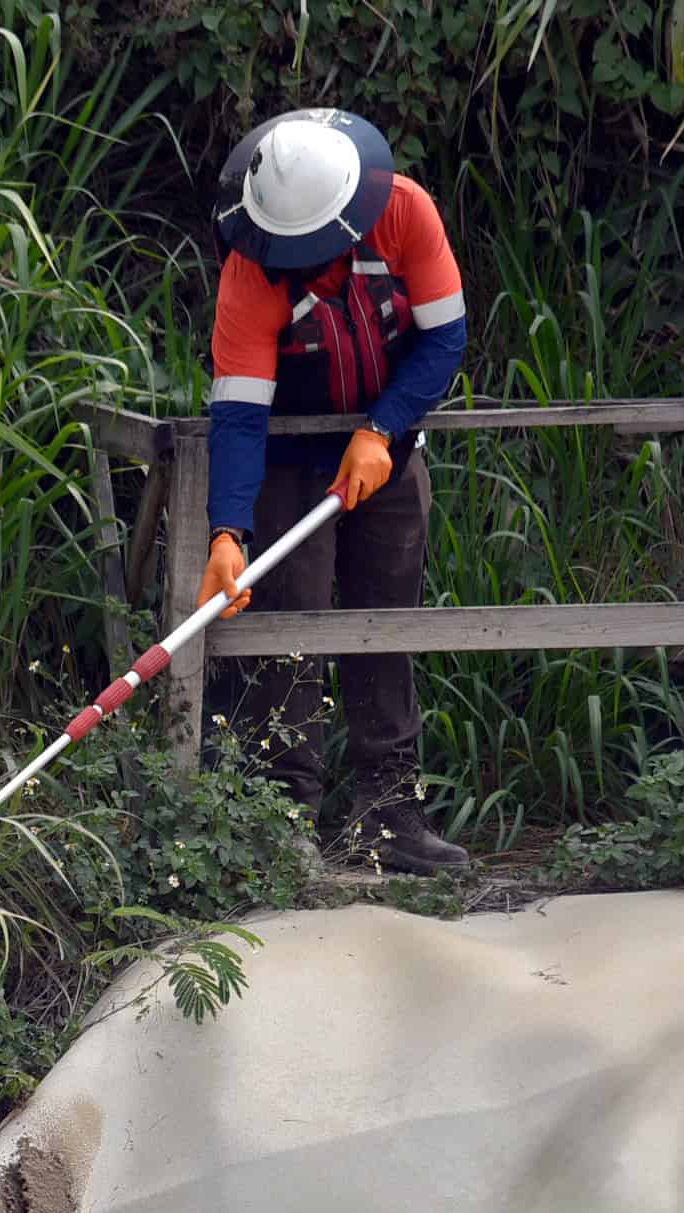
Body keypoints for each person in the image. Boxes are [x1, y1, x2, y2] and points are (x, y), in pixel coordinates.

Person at [196, 108, 472, 874]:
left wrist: (383, 429)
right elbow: (241, 416)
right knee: (291, 630)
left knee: (385, 622)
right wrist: (228, 533)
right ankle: (285, 821)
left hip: (390, 442)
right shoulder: (250, 273)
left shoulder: (406, 212)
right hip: (289, 457)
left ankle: (391, 816)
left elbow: (446, 337)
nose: (306, 271)